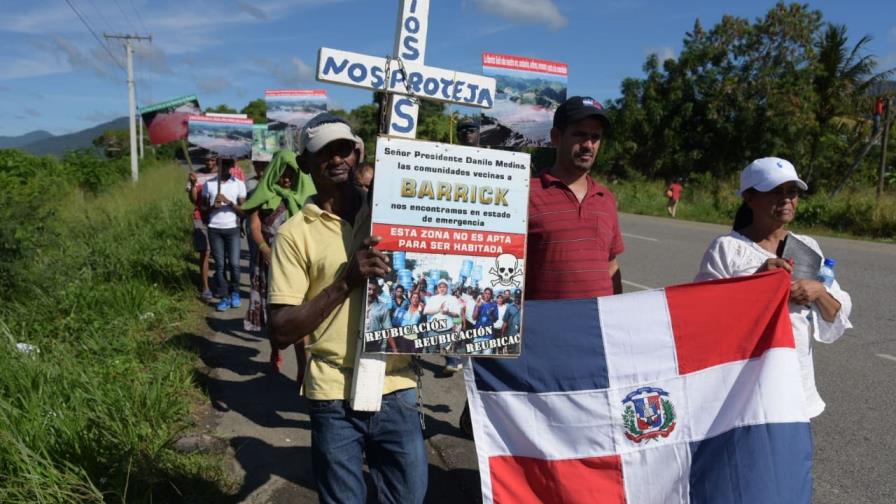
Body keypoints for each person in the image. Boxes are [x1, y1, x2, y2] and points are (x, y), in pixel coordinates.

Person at [267, 113, 427, 503]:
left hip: (397, 383)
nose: (337, 159)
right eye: (325, 152)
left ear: (358, 156)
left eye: (345, 149)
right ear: (305, 163)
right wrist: (345, 281)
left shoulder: (397, 212)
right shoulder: (293, 235)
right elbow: (282, 330)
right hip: (333, 393)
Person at [695, 157, 853, 418]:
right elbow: (703, 316)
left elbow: (835, 313)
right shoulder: (727, 248)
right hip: (746, 384)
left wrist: (819, 291)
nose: (786, 199)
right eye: (775, 192)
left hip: (796, 381)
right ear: (749, 197)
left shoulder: (807, 247)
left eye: (792, 192)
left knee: (794, 457)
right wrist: (757, 280)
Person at [526, 96, 625, 300]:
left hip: (595, 326)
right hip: (544, 326)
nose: (588, 145)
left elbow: (611, 265)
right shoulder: (527, 193)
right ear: (556, 137)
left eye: (595, 137)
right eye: (579, 135)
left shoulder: (605, 198)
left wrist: (618, 312)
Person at [242, 150, 315, 371]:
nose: (286, 180)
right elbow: (255, 227)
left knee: (299, 318)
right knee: (276, 316)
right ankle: (275, 348)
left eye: (291, 176)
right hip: (269, 262)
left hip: (298, 264)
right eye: (282, 175)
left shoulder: (307, 198)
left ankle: (302, 371)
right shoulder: (261, 195)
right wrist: (264, 249)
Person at [201, 158, 247, 311]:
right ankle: (224, 296)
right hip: (214, 229)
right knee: (220, 266)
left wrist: (229, 202)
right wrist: (213, 206)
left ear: (231, 167)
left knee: (234, 264)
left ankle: (235, 292)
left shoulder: (239, 184)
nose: (224, 168)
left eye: (227, 165)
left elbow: (243, 212)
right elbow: (203, 211)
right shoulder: (209, 184)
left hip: (232, 228)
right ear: (217, 166)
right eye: (221, 164)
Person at [187, 155, 219, 300]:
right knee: (205, 251)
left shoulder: (222, 175)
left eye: (212, 159)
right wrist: (193, 184)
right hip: (200, 216)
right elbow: (193, 200)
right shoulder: (196, 175)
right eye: (207, 160)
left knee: (220, 252)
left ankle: (221, 282)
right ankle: (205, 286)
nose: (210, 162)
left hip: (218, 217)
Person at [245, 159, 269, 284]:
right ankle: (255, 284)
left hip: (268, 226)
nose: (260, 167)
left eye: (263, 164)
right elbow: (245, 205)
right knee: (255, 257)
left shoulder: (273, 181)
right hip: (252, 225)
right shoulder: (249, 184)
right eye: (257, 164)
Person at [423, 279, 462, 357]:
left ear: (447, 288)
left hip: (446, 332)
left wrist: (448, 312)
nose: (442, 288)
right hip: (433, 331)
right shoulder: (433, 298)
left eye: (444, 287)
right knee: (431, 353)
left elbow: (457, 314)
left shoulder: (453, 299)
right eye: (440, 287)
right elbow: (425, 312)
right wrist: (439, 309)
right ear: (437, 288)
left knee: (445, 355)